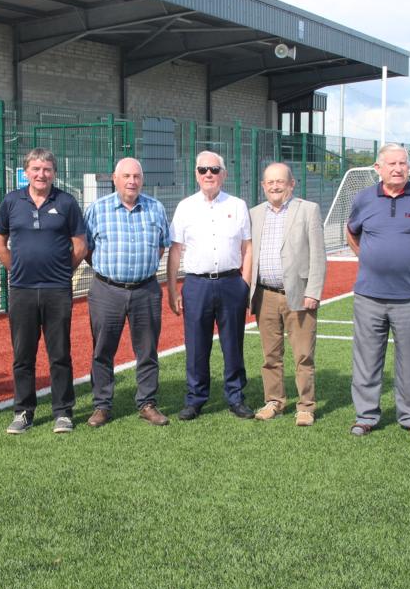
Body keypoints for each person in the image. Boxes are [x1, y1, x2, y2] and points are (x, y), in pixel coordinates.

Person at [346, 144, 410, 438]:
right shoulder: (364, 199)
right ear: (378, 168)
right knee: (366, 360)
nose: (398, 168)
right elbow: (351, 233)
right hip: (368, 296)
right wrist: (367, 258)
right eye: (391, 163)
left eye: (403, 163)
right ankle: (366, 415)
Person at [0, 148, 86, 434]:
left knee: (59, 353)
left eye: (46, 169)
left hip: (57, 290)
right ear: (26, 172)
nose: (41, 174)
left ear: (54, 173)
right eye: (35, 169)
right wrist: (17, 270)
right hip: (22, 290)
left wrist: (61, 272)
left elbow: (80, 245)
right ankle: (23, 412)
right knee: (23, 355)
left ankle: (63, 412)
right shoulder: (12, 202)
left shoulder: (67, 202)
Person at [83, 157, 171, 427]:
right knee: (102, 349)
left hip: (146, 289)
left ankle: (147, 403)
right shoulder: (97, 209)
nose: (132, 181)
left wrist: (140, 270)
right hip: (107, 289)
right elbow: (86, 249)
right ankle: (102, 405)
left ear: (142, 180)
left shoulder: (155, 208)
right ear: (115, 178)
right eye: (126, 176)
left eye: (136, 176)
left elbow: (160, 246)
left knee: (147, 349)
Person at [167, 151, 253, 420]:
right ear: (196, 173)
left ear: (223, 174)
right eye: (203, 169)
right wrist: (172, 290)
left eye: (214, 170)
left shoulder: (238, 205)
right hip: (196, 284)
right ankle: (195, 399)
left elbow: (247, 248)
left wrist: (245, 285)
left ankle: (236, 396)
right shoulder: (185, 207)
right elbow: (176, 251)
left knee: (233, 344)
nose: (208, 174)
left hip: (230, 283)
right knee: (196, 346)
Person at [248, 162, 327, 426]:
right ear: (262, 186)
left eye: (280, 181)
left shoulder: (308, 210)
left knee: (303, 355)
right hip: (265, 295)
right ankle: (274, 401)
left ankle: (305, 406)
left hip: (299, 293)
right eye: (269, 182)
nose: (274, 185)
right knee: (271, 356)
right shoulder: (255, 213)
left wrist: (313, 291)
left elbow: (318, 254)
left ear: (291, 184)